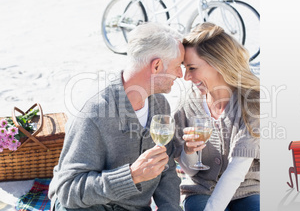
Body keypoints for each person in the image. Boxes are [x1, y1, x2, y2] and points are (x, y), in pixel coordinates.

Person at [48, 22, 184, 211]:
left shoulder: (160, 106)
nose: (181, 74)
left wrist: (171, 208)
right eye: (178, 66)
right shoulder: (95, 111)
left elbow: (166, 167)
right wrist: (132, 176)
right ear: (157, 65)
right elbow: (67, 191)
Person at [173, 22, 260, 211]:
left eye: (192, 68)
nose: (186, 77)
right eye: (184, 68)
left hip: (249, 190)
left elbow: (238, 169)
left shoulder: (253, 102)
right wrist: (188, 153)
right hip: (200, 191)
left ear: (218, 63)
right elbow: (189, 171)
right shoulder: (188, 102)